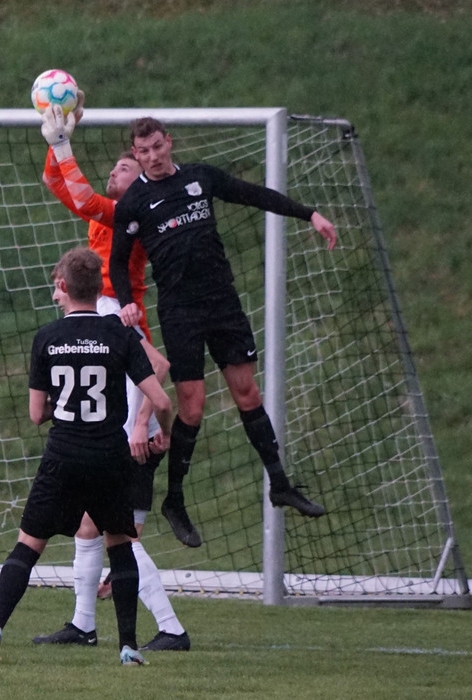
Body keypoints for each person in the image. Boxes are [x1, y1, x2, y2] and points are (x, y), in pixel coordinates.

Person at [109, 117, 337, 548]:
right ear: (136, 153)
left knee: (247, 393)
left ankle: (280, 484)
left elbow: (253, 194)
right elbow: (118, 262)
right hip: (180, 311)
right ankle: (175, 501)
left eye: (158, 146)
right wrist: (126, 302)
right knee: (192, 406)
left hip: (223, 303)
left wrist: (310, 214)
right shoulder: (133, 202)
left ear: (169, 142)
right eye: (144, 151)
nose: (153, 156)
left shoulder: (200, 177)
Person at [0, 246, 173, 667]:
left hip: (63, 454)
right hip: (109, 456)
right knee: (119, 545)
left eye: (56, 288)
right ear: (98, 288)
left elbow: (37, 414)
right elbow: (161, 399)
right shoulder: (119, 334)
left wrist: (67, 406)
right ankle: (128, 646)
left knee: (28, 545)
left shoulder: (47, 338)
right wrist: (163, 430)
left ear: (62, 286)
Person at [32, 98, 191, 652]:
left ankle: (170, 628)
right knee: (89, 525)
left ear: (141, 180)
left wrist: (61, 142)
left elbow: (158, 366)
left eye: (124, 167)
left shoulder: (129, 217)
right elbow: (61, 187)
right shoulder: (105, 227)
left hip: (122, 383)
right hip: (105, 347)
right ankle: (83, 625)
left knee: (114, 529)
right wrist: (55, 143)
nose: (114, 173)